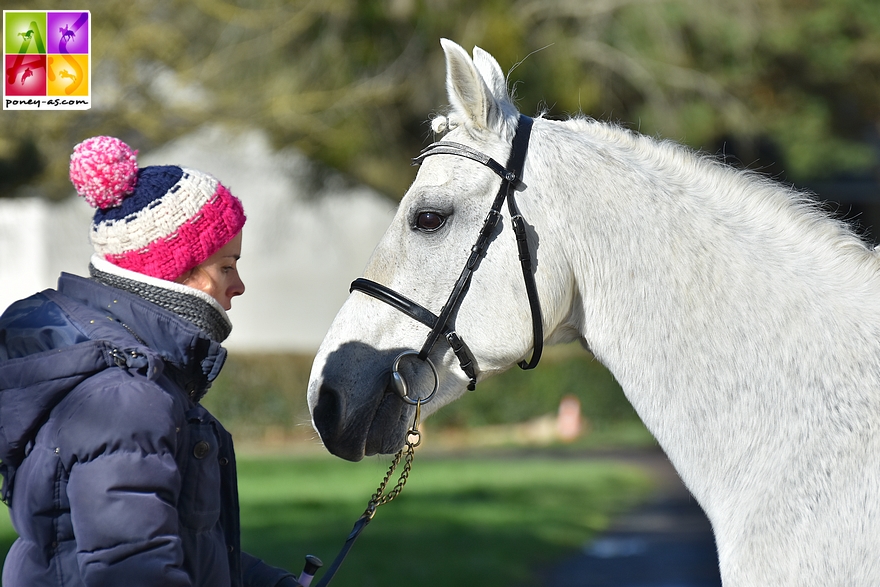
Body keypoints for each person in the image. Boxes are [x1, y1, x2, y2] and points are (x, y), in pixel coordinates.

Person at [0, 136, 301, 587]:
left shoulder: (136, 378)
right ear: (174, 273)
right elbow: (134, 569)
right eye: (226, 266)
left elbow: (185, 542)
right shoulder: (124, 397)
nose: (238, 285)